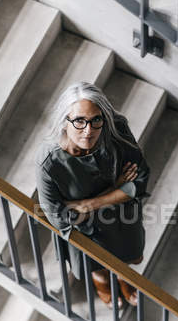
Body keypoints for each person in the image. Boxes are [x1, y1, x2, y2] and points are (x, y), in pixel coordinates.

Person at [35, 81, 150, 308]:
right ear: (64, 121)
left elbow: (140, 178)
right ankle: (104, 287)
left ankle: (123, 279)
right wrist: (116, 189)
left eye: (96, 120)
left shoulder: (115, 129)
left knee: (130, 257)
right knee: (97, 268)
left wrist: (86, 205)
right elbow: (60, 218)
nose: (88, 131)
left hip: (121, 219)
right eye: (79, 121)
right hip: (86, 232)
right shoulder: (49, 161)